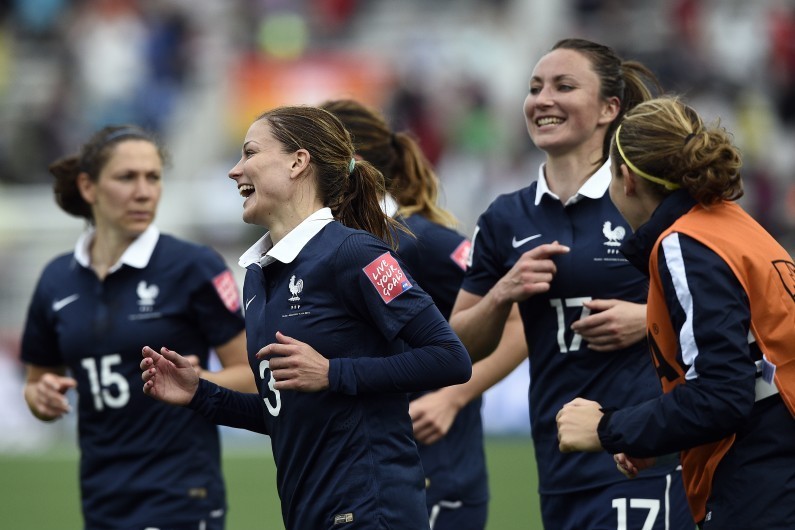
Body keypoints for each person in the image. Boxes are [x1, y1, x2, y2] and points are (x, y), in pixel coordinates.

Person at [139, 105, 473, 530]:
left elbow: (450, 357)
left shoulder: (356, 252)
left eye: (250, 153)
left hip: (371, 510)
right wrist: (199, 394)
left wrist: (333, 373)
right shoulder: (258, 278)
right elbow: (288, 414)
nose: (234, 170)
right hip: (309, 513)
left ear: (298, 162)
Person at [448, 38, 694, 529]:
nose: (543, 100)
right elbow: (457, 345)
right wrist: (503, 293)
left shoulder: (647, 197)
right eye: (535, 88)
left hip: (644, 455)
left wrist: (648, 319)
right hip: (558, 459)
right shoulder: (504, 217)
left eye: (564, 86)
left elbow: (725, 303)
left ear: (609, 108)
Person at [556, 96, 795, 529]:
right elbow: (753, 375)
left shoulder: (685, 242)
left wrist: (608, 428)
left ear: (626, 179)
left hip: (766, 482)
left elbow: (723, 397)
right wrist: (657, 436)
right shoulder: (735, 224)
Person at [20, 125, 253, 530]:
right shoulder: (56, 280)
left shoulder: (193, 266)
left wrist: (198, 382)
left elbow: (253, 373)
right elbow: (37, 383)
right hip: (100, 497)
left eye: (153, 177)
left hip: (180, 495)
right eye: (127, 177)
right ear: (88, 187)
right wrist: (40, 398)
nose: (144, 192)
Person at [319, 98, 489, 529]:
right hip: (362, 480)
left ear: (346, 162)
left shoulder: (425, 241)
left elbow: (518, 319)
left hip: (437, 475)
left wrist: (455, 396)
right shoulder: (328, 250)